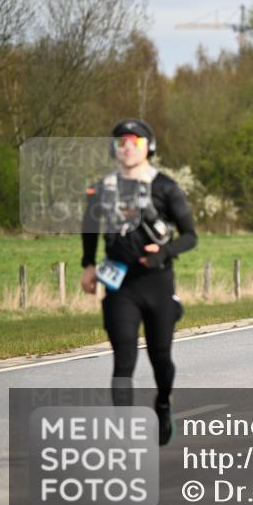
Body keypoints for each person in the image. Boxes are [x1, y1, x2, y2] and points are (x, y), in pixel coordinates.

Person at [81, 119, 197, 446]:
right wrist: (88, 265)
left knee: (160, 356)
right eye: (120, 141)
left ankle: (163, 402)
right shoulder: (102, 187)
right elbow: (89, 227)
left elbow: (191, 236)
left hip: (157, 281)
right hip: (120, 283)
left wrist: (164, 252)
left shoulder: (165, 188)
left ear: (148, 147)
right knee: (123, 357)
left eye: (133, 140)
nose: (127, 146)